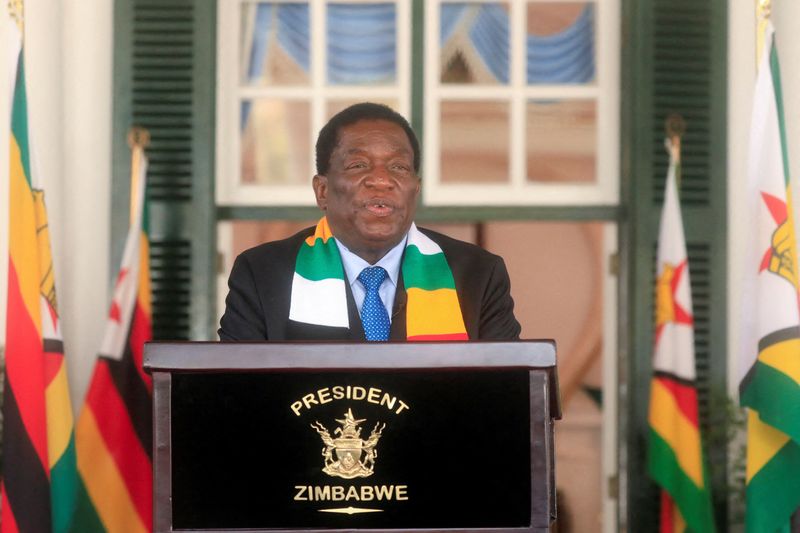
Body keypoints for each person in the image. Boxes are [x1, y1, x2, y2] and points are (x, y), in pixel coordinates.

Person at [219, 102, 521, 341]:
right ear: (322, 190)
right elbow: (238, 400)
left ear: (415, 189)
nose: (381, 180)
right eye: (359, 165)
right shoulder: (263, 275)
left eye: (399, 167)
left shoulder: (477, 276)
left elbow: (510, 399)